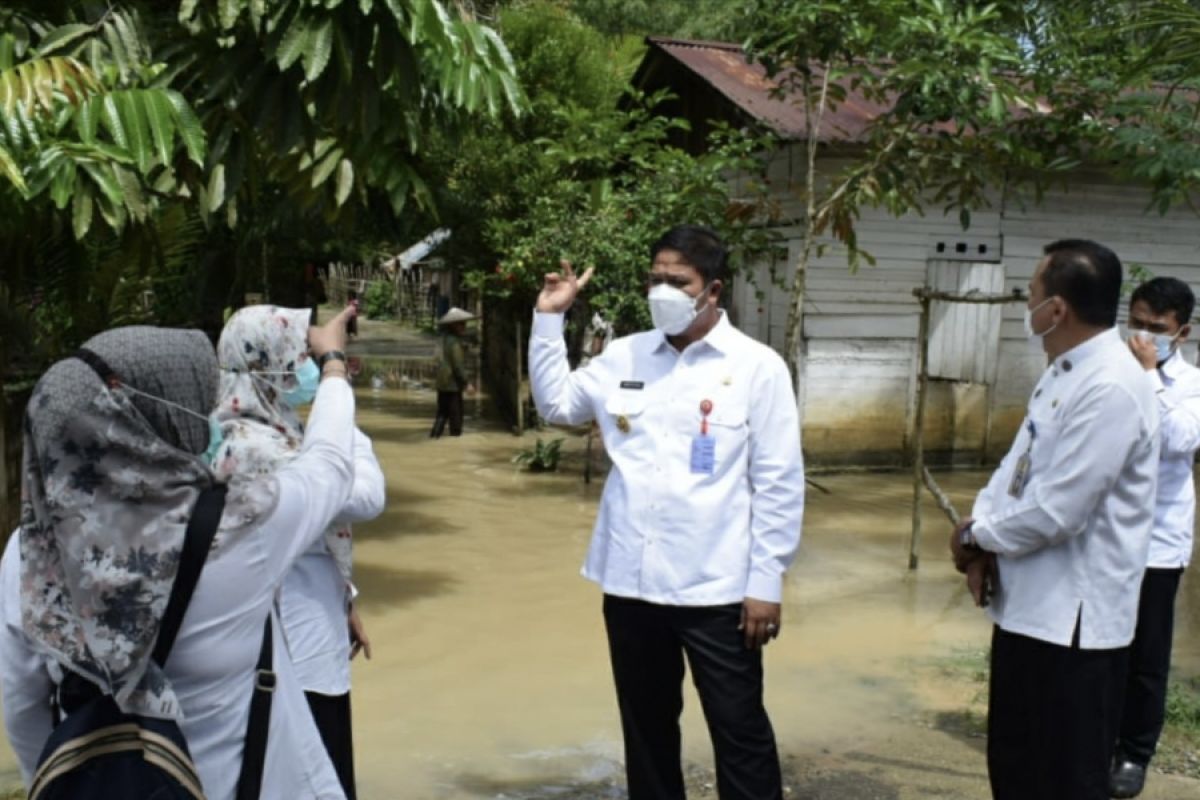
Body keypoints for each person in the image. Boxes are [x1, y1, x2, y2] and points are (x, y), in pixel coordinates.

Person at [1, 308, 360, 800]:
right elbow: (332, 467)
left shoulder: (26, 551)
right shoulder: (240, 527)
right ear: (160, 417)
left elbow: (23, 703)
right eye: (197, 402)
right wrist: (334, 364)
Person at [528, 225, 805, 800]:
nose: (663, 292)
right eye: (655, 279)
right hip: (632, 585)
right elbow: (556, 405)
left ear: (713, 290)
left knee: (740, 731)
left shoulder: (758, 368)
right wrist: (550, 319)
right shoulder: (623, 355)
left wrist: (766, 581)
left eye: (677, 282)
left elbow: (778, 482)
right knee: (647, 734)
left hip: (719, 592)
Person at [949, 240, 1159, 800]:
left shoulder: (1110, 384)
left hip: (1076, 627)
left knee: (1065, 779)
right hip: (1028, 609)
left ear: (1057, 308)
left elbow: (1059, 510)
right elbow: (1016, 469)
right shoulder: (1062, 371)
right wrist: (982, 541)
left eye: (1031, 294)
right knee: (1015, 768)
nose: (1028, 305)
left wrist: (976, 535)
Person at [211, 306, 386, 800]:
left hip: (302, 629)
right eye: (299, 357)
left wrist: (343, 597)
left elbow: (306, 540)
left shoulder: (249, 429)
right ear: (274, 369)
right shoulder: (257, 447)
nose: (304, 368)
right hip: (292, 658)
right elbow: (363, 495)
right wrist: (337, 385)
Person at [1109, 277, 1200, 798]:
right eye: (1137, 322)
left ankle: (1134, 753)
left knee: (1146, 656)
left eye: (1156, 328)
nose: (1143, 334)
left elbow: (1179, 439)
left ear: (1181, 332)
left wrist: (1149, 376)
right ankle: (1096, 736)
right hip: (1106, 535)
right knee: (1101, 646)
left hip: (1159, 542)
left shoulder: (1187, 384)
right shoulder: (1110, 368)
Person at [430, 307, 475, 438]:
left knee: (442, 415)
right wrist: (467, 383)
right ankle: (455, 442)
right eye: (461, 323)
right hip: (452, 385)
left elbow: (437, 360)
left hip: (442, 383)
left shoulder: (444, 339)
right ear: (453, 325)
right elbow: (458, 366)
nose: (464, 326)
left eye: (464, 323)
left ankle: (434, 437)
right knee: (456, 420)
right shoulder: (454, 342)